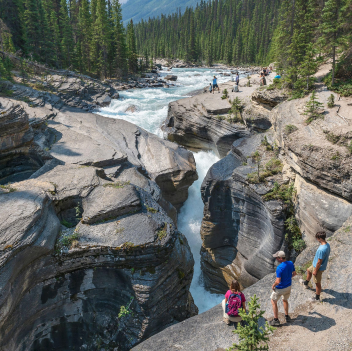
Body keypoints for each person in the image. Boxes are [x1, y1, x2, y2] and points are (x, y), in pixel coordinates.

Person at [299, 231, 331, 302]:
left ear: (320, 238)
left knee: (317, 283)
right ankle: (306, 284)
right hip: (315, 265)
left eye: (317, 238)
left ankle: (317, 298)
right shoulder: (327, 244)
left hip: (318, 268)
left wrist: (316, 270)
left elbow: (319, 262)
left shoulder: (321, 249)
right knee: (308, 270)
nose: (317, 239)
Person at [269, 251, 296, 326]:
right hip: (288, 286)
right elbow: (294, 273)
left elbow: (278, 281)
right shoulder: (290, 263)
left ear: (281, 258)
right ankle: (287, 316)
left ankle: (276, 320)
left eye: (277, 257)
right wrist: (287, 278)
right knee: (285, 300)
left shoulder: (279, 268)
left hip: (280, 288)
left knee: (273, 301)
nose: (276, 259)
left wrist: (273, 285)